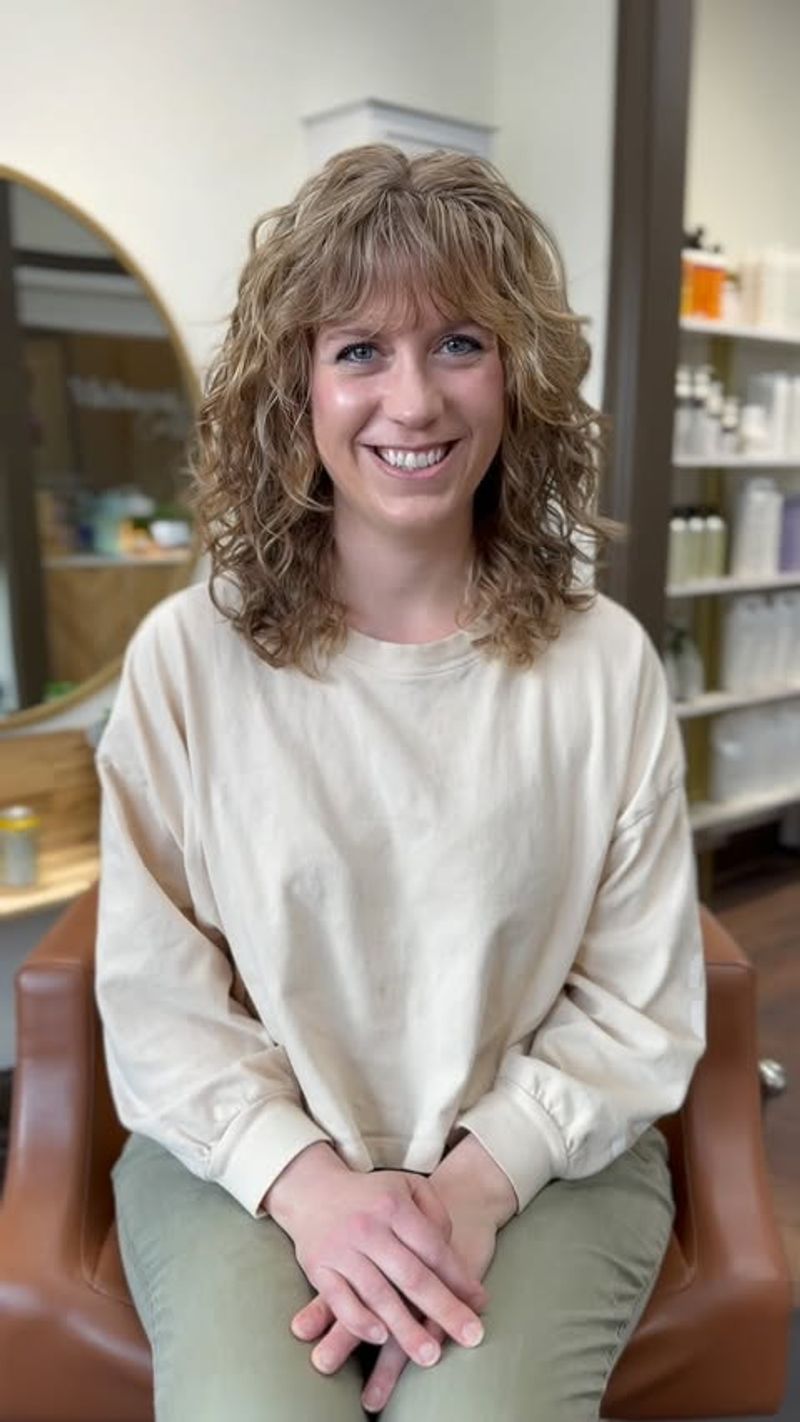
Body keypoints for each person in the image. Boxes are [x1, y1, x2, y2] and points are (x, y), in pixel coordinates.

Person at [95, 143, 706, 1422]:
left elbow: (634, 1006)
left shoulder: (602, 666)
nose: (413, 402)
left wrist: (472, 1190)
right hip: (240, 1166)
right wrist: (308, 1184)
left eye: (460, 345)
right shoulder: (186, 660)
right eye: (359, 350)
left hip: (549, 1160)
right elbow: (159, 1000)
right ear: (295, 390)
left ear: (518, 376)